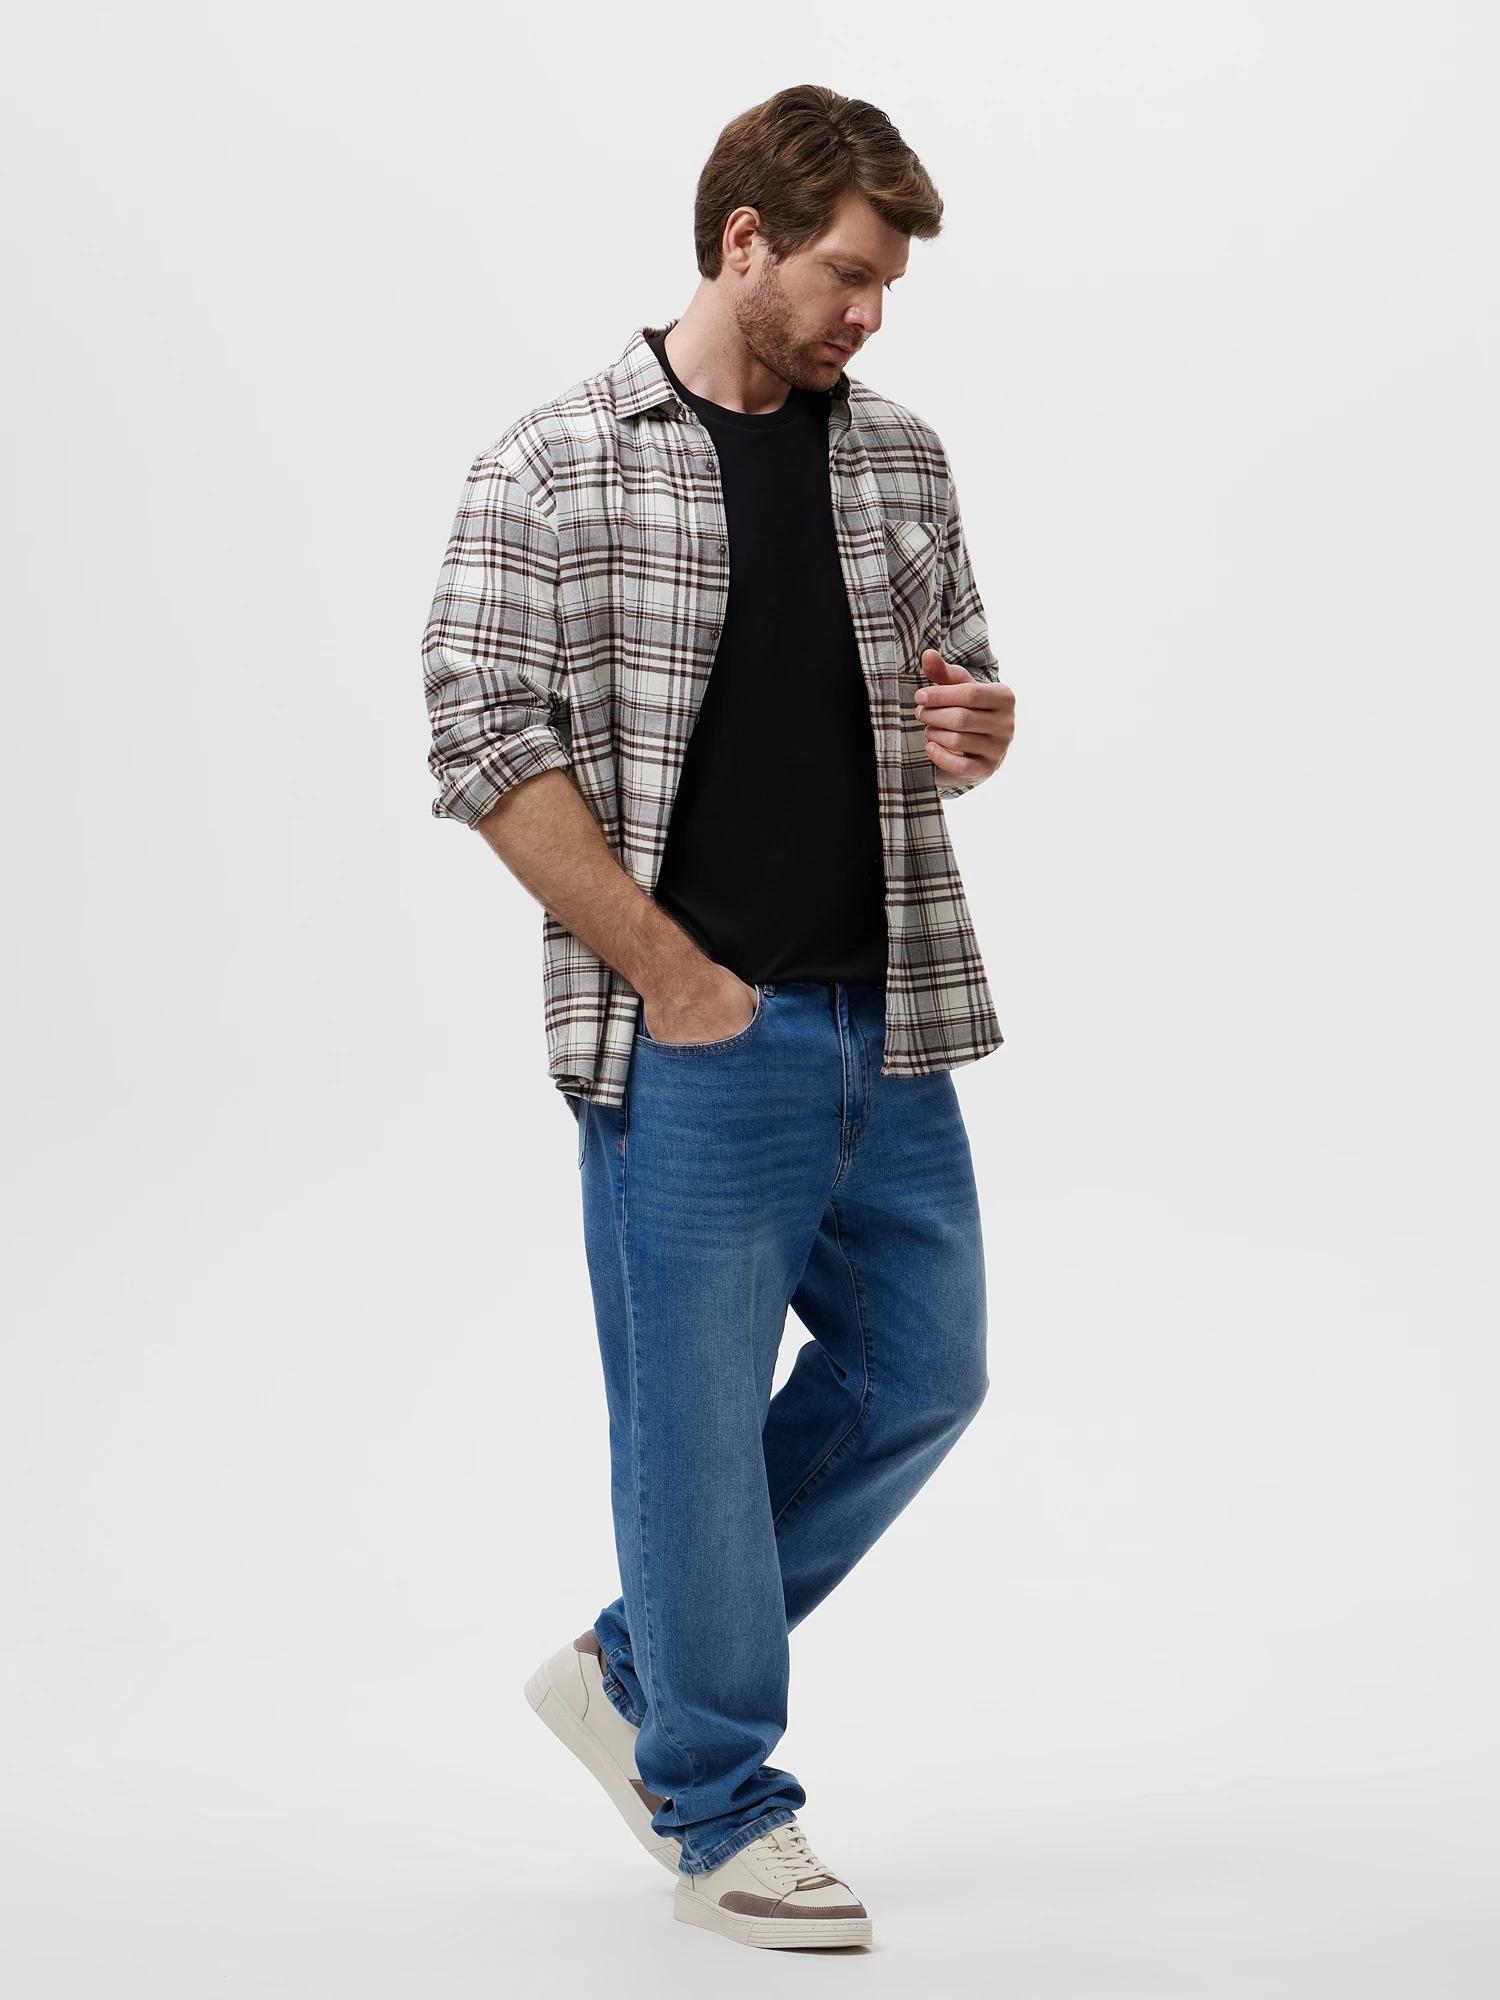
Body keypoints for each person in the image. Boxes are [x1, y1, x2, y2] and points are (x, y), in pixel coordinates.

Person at [422, 83, 1016, 1952]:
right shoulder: (552, 465)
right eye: (848, 272)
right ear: (744, 240)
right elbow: (479, 740)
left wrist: (977, 729)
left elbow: (959, 686)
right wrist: (670, 973)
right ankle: (719, 1804)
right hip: (687, 1044)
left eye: (890, 284)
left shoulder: (899, 454)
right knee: (688, 1437)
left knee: (925, 1375)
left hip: (887, 1022)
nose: (870, 313)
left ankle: (637, 1672)